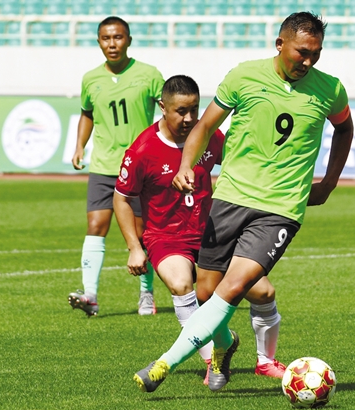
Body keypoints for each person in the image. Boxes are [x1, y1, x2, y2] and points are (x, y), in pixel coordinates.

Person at [132, 12, 354, 394]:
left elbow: (344, 128)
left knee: (233, 287)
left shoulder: (330, 89)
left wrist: (330, 182)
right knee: (206, 291)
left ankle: (164, 363)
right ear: (280, 44)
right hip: (230, 198)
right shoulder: (243, 76)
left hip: (281, 208)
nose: (308, 61)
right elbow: (205, 126)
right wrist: (186, 166)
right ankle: (224, 344)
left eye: (315, 54)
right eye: (301, 52)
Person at [113, 75, 287, 384]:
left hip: (212, 231)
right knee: (182, 285)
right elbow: (122, 198)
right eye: (181, 111)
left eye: (194, 109)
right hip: (167, 237)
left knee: (263, 292)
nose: (189, 118)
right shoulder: (143, 149)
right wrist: (134, 247)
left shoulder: (209, 136)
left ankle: (265, 362)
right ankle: (212, 359)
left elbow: (238, 164)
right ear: (162, 107)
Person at [68, 16, 164, 317]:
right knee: (96, 226)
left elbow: (169, 112)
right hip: (103, 165)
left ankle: (146, 293)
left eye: (118, 37)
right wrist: (80, 146)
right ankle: (90, 296)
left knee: (140, 233)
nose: (112, 44)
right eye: (106, 38)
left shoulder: (149, 75)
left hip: (139, 167)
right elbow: (87, 114)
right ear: (99, 41)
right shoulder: (91, 79)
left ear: (129, 40)